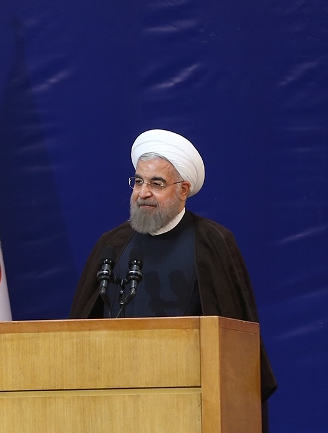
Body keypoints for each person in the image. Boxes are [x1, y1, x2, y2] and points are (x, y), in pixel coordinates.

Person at [70, 129, 277, 430]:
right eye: (138, 181)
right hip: (114, 402)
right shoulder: (113, 244)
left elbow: (237, 344)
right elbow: (80, 328)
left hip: (191, 403)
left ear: (183, 190)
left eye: (156, 184)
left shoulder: (212, 243)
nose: (143, 193)